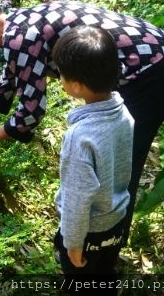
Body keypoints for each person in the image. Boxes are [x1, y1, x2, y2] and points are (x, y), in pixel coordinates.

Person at [0, 0, 164, 246]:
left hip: (149, 73)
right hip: (158, 50)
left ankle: (105, 243)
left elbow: (32, 108)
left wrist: (2, 132)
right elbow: (14, 73)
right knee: (116, 157)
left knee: (117, 164)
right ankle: (99, 237)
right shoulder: (20, 22)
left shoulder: (20, 37)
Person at [51, 25, 133, 293]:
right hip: (116, 221)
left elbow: (77, 198)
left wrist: (73, 244)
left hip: (88, 234)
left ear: (75, 85)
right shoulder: (124, 114)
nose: (59, 80)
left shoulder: (80, 138)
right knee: (104, 272)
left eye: (61, 75)